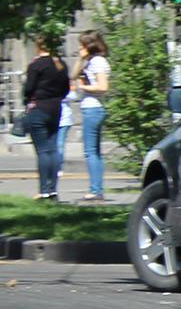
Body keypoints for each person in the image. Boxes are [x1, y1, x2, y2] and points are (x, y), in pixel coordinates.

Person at [18, 37, 69, 201]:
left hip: (38, 108)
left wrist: (27, 100)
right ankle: (53, 190)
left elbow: (28, 89)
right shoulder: (61, 65)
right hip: (56, 110)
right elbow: (66, 90)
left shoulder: (36, 65)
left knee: (42, 151)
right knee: (53, 150)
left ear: (38, 46)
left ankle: (44, 191)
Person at [73, 30, 112, 200]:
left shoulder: (98, 62)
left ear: (90, 45)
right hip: (91, 108)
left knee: (91, 151)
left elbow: (103, 87)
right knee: (94, 151)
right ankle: (97, 188)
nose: (79, 48)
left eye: (82, 45)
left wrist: (83, 87)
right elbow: (73, 75)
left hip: (93, 108)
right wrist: (80, 59)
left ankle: (96, 190)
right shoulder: (90, 61)